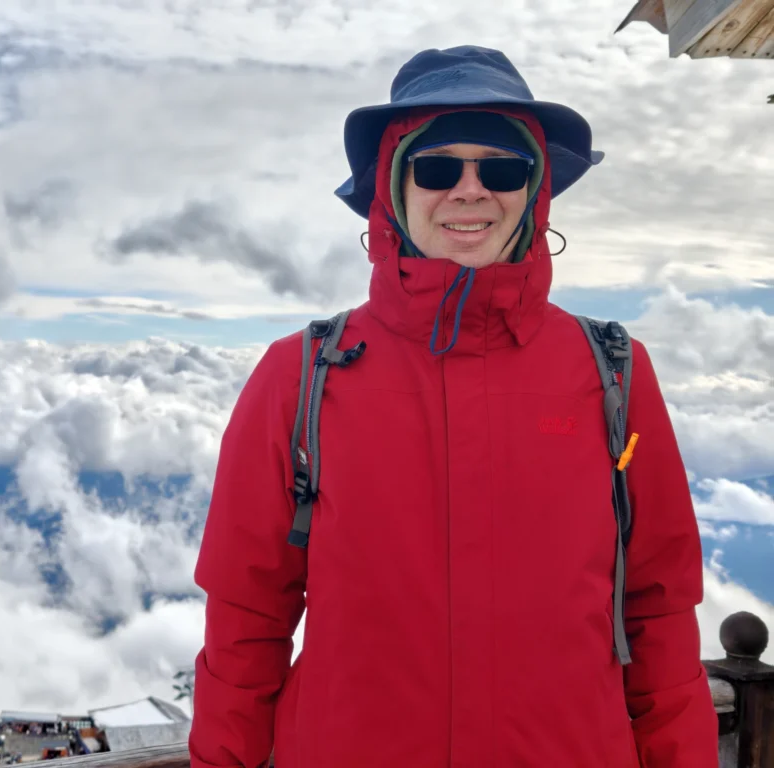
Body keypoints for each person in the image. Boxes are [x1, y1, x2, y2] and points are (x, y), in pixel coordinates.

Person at [188, 46, 718, 768]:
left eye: (502, 169)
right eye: (437, 168)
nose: (470, 191)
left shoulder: (614, 373)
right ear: (392, 188)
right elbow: (245, 626)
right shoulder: (299, 376)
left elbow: (659, 615)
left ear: (534, 192)